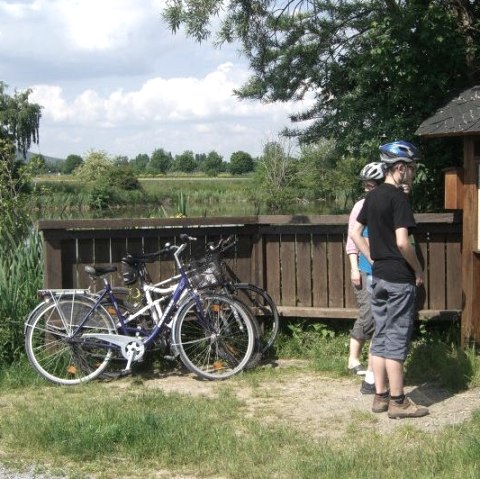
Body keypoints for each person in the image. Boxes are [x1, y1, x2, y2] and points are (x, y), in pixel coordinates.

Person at [351, 140, 429, 419]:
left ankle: (380, 397)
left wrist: (372, 259)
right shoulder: (397, 199)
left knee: (381, 336)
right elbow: (402, 242)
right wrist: (418, 269)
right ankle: (399, 402)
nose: (413, 173)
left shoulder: (371, 197)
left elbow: (356, 232)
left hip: (379, 278)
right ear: (399, 168)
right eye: (411, 168)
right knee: (396, 340)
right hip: (398, 279)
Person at [346, 162, 385, 396]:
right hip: (363, 268)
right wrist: (353, 268)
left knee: (372, 316)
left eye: (372, 186)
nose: (368, 190)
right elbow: (353, 239)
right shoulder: (360, 206)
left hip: (382, 270)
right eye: (366, 186)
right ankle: (354, 359)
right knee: (368, 315)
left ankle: (361, 362)